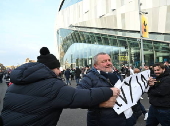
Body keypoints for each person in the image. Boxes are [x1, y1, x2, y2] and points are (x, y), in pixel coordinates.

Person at [1, 47, 120, 126]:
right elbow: (80, 97)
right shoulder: (52, 85)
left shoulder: (13, 86)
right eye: (58, 68)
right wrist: (109, 91)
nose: (59, 72)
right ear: (51, 69)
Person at [77, 52, 126, 126]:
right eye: (104, 61)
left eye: (109, 60)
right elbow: (78, 97)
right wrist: (100, 104)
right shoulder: (89, 78)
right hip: (100, 122)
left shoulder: (116, 75)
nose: (108, 63)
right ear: (95, 66)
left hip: (122, 120)